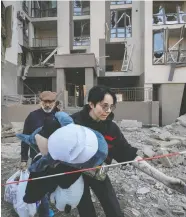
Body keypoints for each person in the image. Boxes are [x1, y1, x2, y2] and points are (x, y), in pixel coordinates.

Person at [71, 85, 138, 217]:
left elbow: (123, 148)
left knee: (112, 206)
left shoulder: (111, 128)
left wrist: (136, 158)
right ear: (91, 103)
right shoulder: (74, 122)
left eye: (111, 107)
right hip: (76, 174)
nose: (108, 111)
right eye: (104, 106)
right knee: (85, 208)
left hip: (99, 172)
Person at [20, 91, 58, 217]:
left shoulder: (59, 116)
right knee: (40, 186)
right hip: (37, 158)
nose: (47, 105)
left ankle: (46, 205)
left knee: (52, 185)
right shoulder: (32, 116)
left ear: (54, 102)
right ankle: (44, 212)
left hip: (55, 158)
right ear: (40, 102)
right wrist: (24, 159)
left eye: (50, 102)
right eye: (45, 102)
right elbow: (25, 138)